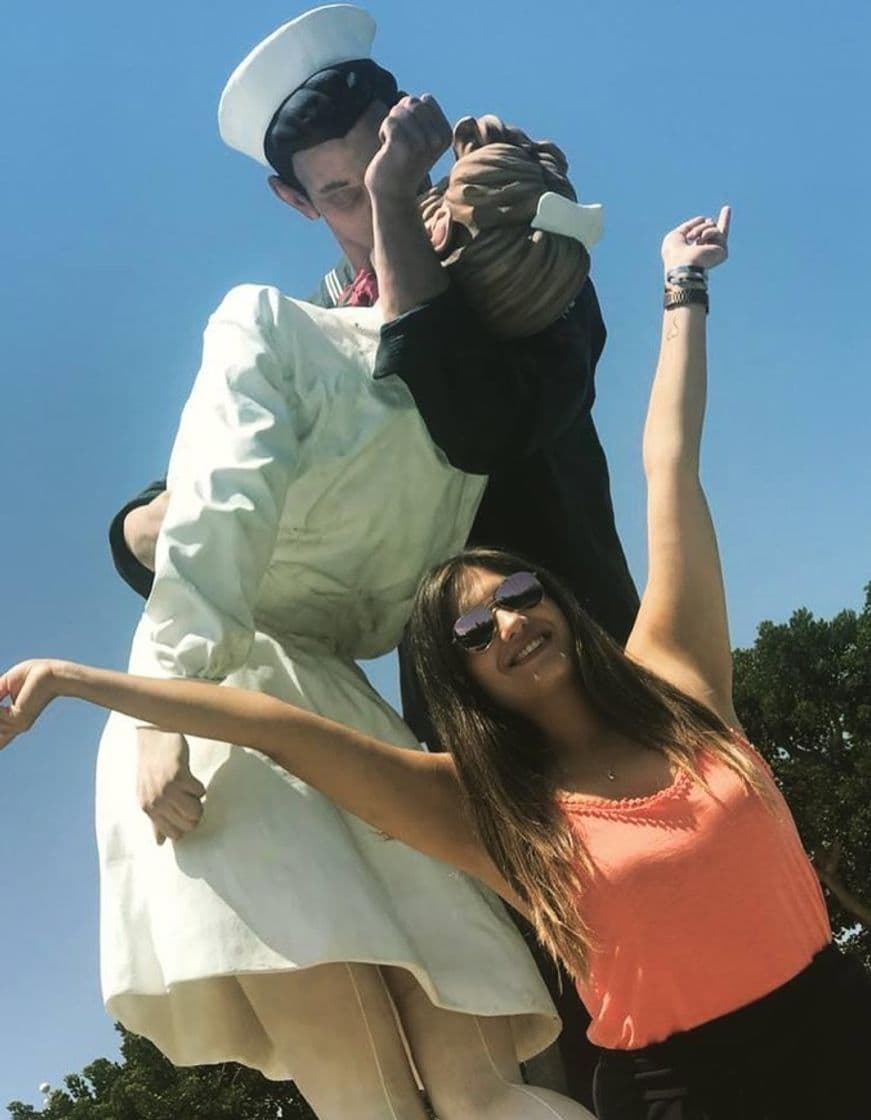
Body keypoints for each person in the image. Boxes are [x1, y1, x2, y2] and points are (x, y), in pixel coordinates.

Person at [3, 210, 871, 1118]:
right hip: (685, 1091)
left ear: (552, 600)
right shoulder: (490, 814)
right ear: (461, 678)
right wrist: (81, 682)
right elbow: (283, 732)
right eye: (474, 635)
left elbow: (669, 463)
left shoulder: (678, 687)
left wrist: (683, 292)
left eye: (517, 597)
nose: (507, 627)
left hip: (850, 1042)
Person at [113, 14, 634, 1097]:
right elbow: (220, 489)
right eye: (342, 194)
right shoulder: (315, 332)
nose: (365, 206)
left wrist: (406, 208)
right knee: (555, 1010)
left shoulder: (515, 251)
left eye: (384, 171)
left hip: (583, 656)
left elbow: (483, 425)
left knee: (671, 958)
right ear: (294, 203)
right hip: (458, 707)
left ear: (422, 138)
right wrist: (134, 529)